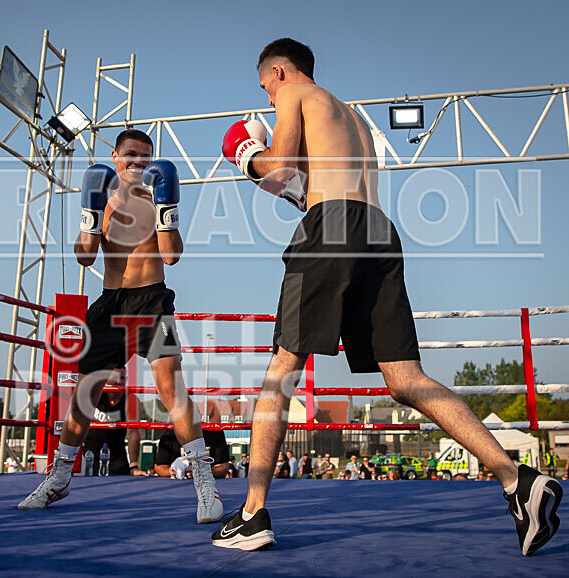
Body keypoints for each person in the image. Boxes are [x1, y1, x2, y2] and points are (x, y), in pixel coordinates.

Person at [213, 38, 562, 554]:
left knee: (282, 366)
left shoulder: (295, 95)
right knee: (404, 378)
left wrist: (248, 157)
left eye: (265, 87)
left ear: (280, 72)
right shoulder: (349, 117)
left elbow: (282, 165)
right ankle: (518, 481)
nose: (267, 100)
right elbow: (309, 187)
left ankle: (251, 514)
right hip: (377, 231)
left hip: (332, 228)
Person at [18, 130, 223, 523]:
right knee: (84, 393)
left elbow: (172, 255)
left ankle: (203, 482)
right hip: (111, 301)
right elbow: (83, 257)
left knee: (169, 385)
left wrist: (166, 210)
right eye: (131, 155)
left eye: (145, 157)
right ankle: (59, 477)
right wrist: (90, 219)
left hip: (151, 300)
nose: (138, 163)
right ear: (115, 157)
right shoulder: (102, 195)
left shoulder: (156, 194)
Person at [82, 373, 148, 476]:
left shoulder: (130, 399)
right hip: (89, 457)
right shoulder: (94, 396)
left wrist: (134, 466)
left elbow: (132, 433)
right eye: (115, 377)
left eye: (122, 378)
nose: (118, 381)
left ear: (126, 379)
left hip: (117, 459)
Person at [154, 429, 230, 479]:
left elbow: (223, 467)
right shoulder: (169, 434)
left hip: (207, 486)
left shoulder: (213, 432)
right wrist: (172, 471)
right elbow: (160, 467)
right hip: (175, 488)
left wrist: (203, 472)